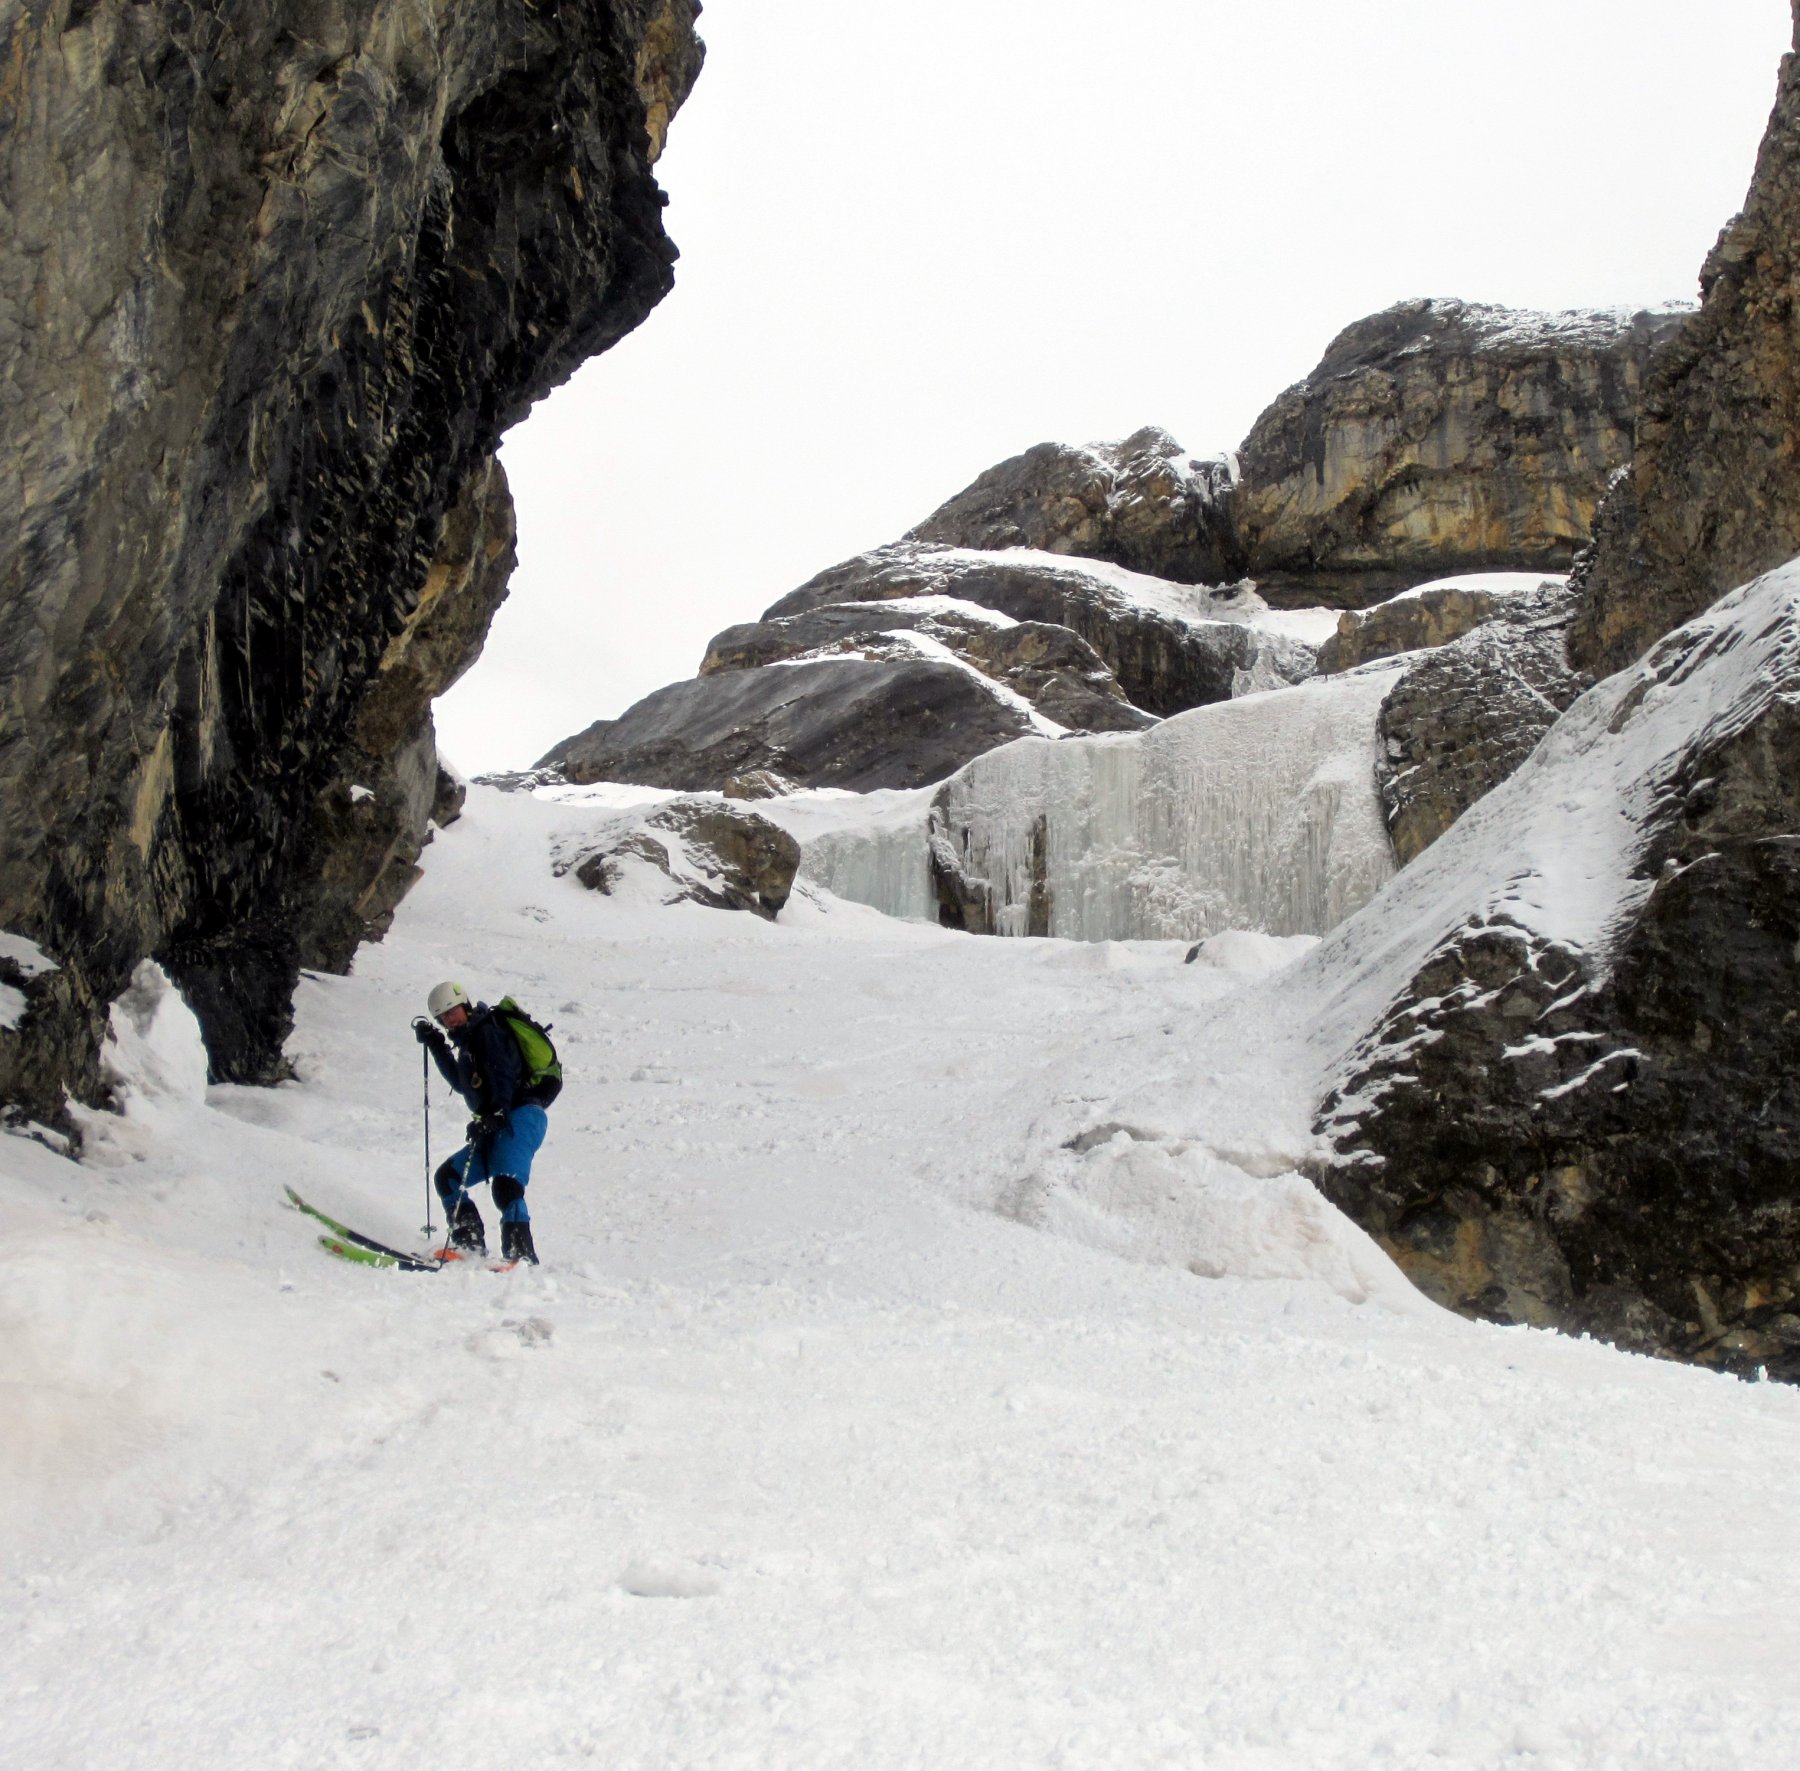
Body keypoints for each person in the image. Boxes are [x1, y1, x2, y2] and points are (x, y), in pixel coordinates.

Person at [413, 981, 552, 1265]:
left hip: (521, 1115)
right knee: (447, 1179)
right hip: (497, 1122)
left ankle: (521, 1257)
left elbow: (503, 1074)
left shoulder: (486, 1032)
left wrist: (497, 1113)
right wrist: (437, 1045)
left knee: (506, 1185)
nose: (449, 1019)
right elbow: (462, 1083)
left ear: (464, 1005)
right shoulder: (468, 1045)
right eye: (443, 1017)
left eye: (452, 1011)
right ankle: (469, 1246)